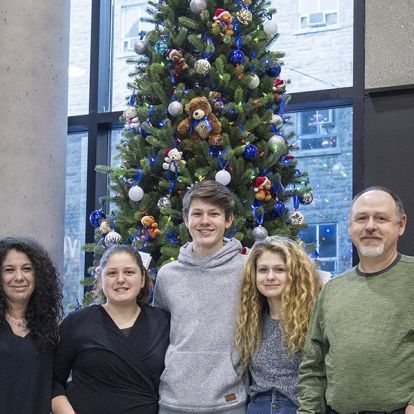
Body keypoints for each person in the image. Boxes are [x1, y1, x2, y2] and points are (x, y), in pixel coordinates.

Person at [298, 186, 414, 414]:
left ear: (400, 225)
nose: (370, 226)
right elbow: (313, 365)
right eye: (361, 218)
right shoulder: (332, 290)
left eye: (381, 218)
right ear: (351, 227)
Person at [154, 180, 249, 414]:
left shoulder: (249, 269)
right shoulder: (167, 275)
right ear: (186, 219)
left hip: (229, 401)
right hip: (172, 401)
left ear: (228, 220)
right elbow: (158, 336)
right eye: (197, 213)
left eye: (214, 214)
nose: (204, 221)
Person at [52, 244, 170, 414]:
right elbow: (53, 381)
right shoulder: (76, 323)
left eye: (129, 272)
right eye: (112, 273)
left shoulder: (163, 322)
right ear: (100, 279)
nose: (120, 279)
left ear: (143, 278)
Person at [235, 237, 321, 414]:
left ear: (295, 273)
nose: (270, 277)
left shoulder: (314, 319)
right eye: (263, 270)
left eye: (280, 270)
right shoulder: (252, 319)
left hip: (300, 408)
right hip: (257, 407)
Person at [0, 236, 63, 414]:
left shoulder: (49, 329)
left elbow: (54, 385)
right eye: (9, 270)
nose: (19, 277)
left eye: (27, 269)